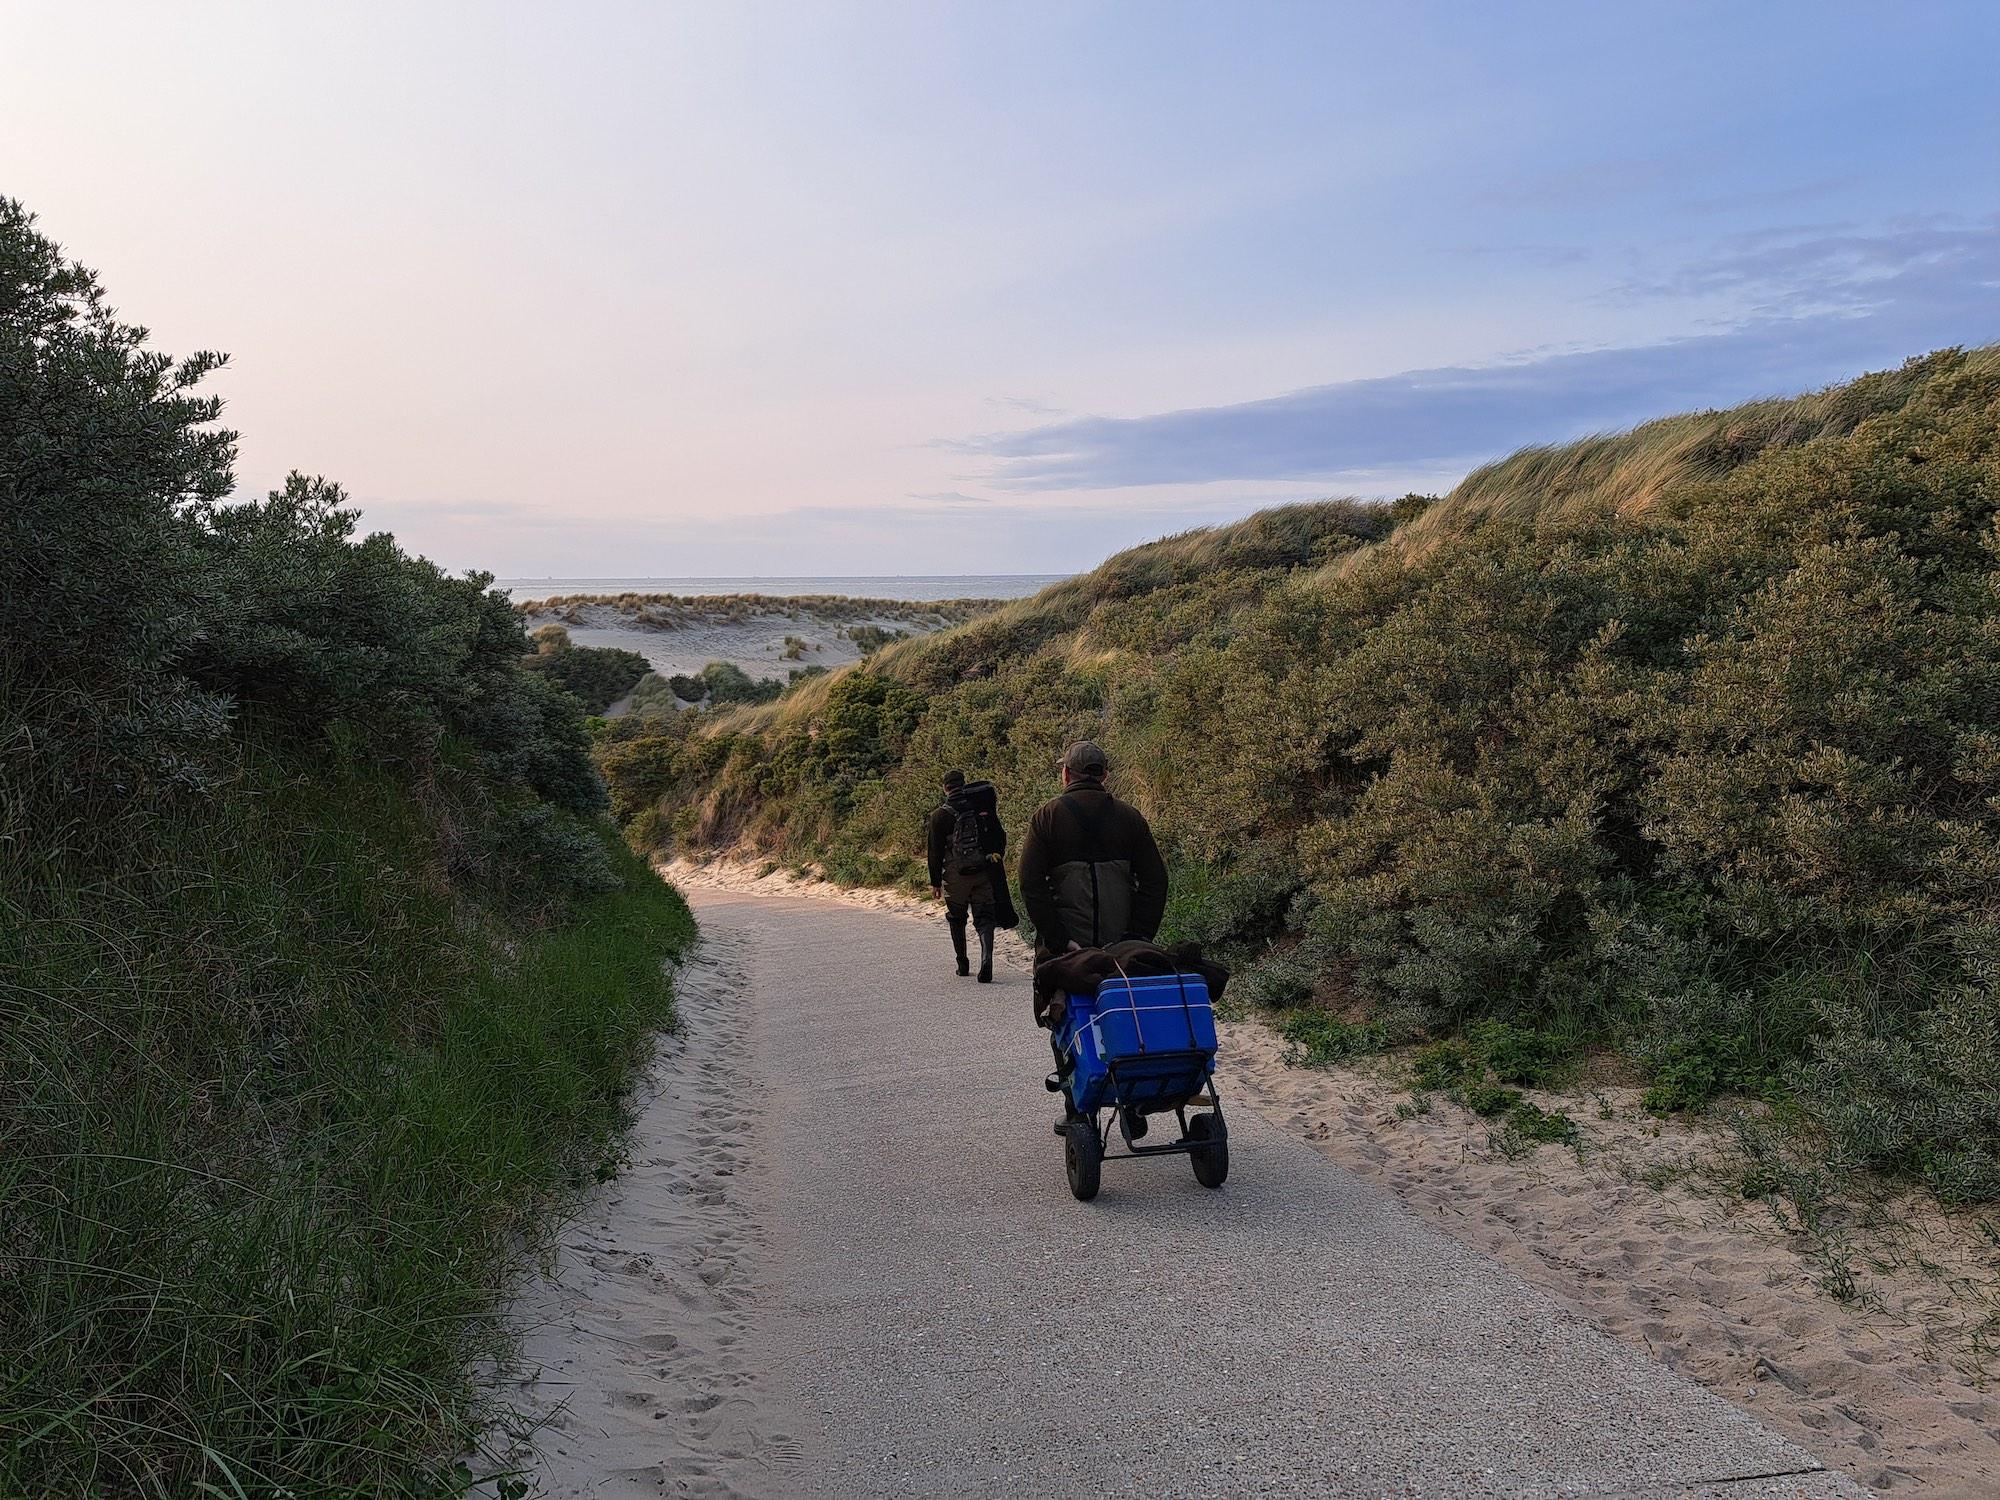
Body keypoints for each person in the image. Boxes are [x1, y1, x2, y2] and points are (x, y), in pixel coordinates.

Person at [1017, 741, 1172, 1137]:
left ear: (1066, 774)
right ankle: (1133, 1099)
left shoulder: (1047, 817)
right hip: (1124, 947)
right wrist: (1138, 936)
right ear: (1105, 774)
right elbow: (1155, 881)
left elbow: (1030, 885)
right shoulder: (1130, 818)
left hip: (1067, 950)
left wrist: (1058, 939)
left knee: (1065, 1020)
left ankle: (1078, 1110)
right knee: (1129, 1014)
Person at [927, 769, 1005, 982]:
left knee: (956, 917)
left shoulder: (939, 816)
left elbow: (934, 851)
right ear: (964, 784)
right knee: (985, 917)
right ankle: (986, 958)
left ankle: (962, 964)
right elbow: (999, 834)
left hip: (955, 875)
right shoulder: (980, 807)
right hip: (983, 870)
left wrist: (935, 882)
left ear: (945, 788)